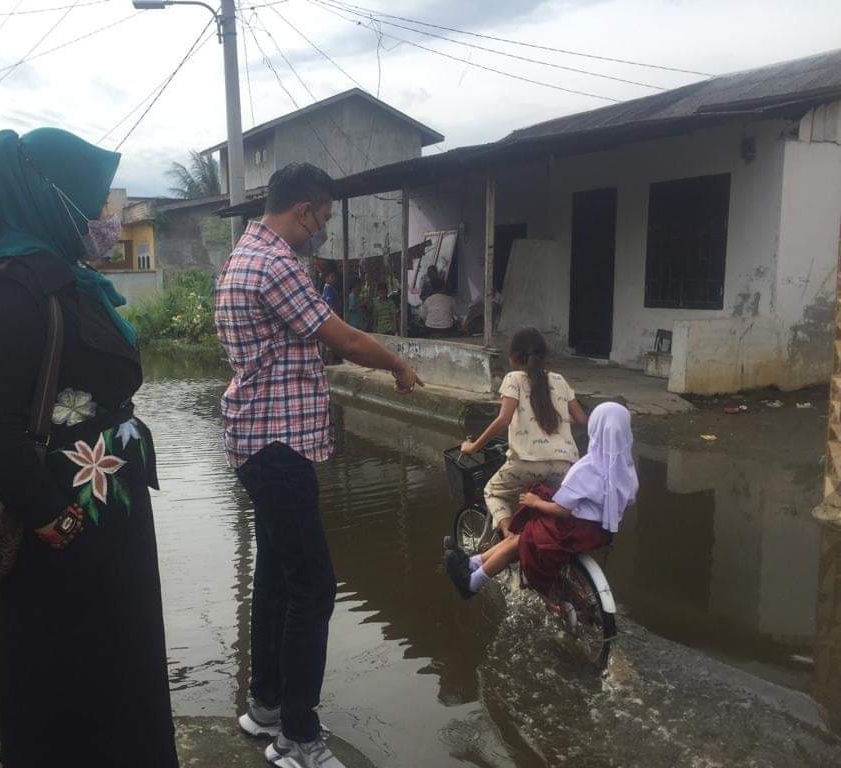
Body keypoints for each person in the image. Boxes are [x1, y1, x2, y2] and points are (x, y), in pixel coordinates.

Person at [0, 128, 178, 767]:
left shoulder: (66, 275)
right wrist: (51, 517)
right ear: (53, 198)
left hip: (105, 512)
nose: (108, 218)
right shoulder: (10, 287)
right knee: (66, 670)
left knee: (121, 657)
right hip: (64, 525)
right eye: (97, 202)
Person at [215, 162, 423, 768]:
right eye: (324, 219)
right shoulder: (277, 263)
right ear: (304, 210)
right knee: (314, 588)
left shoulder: (240, 257)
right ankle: (298, 739)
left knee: (277, 576)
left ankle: (267, 706)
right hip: (277, 446)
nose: (322, 232)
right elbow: (344, 337)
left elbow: (289, 346)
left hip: (259, 440)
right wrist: (397, 365)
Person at [444, 402, 638, 600]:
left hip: (573, 530)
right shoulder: (627, 473)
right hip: (599, 532)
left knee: (521, 537)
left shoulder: (587, 469)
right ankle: (473, 563)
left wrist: (534, 502)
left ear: (594, 429)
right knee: (523, 531)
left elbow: (562, 510)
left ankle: (472, 583)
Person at [458, 327, 587, 540]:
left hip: (528, 463)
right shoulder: (559, 380)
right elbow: (581, 419)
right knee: (547, 504)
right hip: (565, 466)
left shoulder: (513, 379)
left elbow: (503, 419)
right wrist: (562, 418)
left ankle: (510, 539)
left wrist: (473, 447)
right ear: (544, 356)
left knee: (493, 491)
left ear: (513, 358)